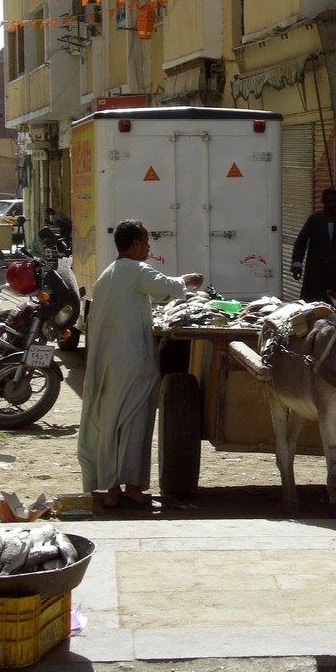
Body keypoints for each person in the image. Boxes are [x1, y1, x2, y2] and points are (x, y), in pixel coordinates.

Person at [77, 219, 203, 510]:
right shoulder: (136, 270)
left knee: (110, 425)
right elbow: (169, 287)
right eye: (146, 242)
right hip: (134, 364)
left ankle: (112, 489)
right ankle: (132, 487)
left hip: (108, 365)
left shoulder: (107, 275)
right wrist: (190, 280)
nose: (148, 247)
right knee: (135, 424)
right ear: (134, 244)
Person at [290, 187, 336, 303]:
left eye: (335, 201)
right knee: (315, 302)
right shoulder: (314, 219)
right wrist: (297, 264)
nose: (332, 204)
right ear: (323, 202)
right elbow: (301, 241)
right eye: (330, 201)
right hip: (317, 270)